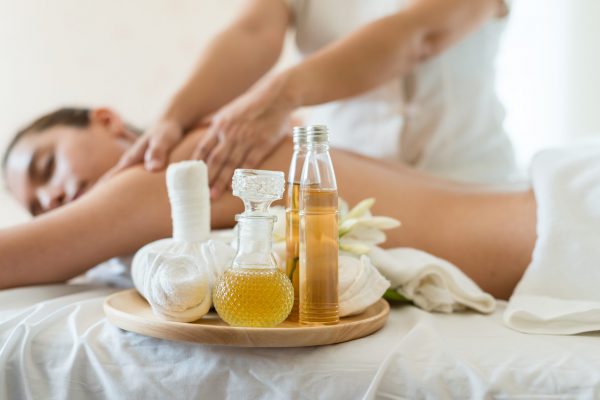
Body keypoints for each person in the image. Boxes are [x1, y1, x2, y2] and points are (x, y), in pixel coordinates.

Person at [1, 107, 535, 298]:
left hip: (550, 232)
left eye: (47, 167)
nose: (52, 198)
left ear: (107, 120)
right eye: (39, 206)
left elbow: (16, 257)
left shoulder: (176, 167)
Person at [111, 0, 516, 200]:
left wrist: (281, 95)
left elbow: (419, 35)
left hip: (470, 182)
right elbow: (253, 32)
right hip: (348, 190)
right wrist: (173, 116)